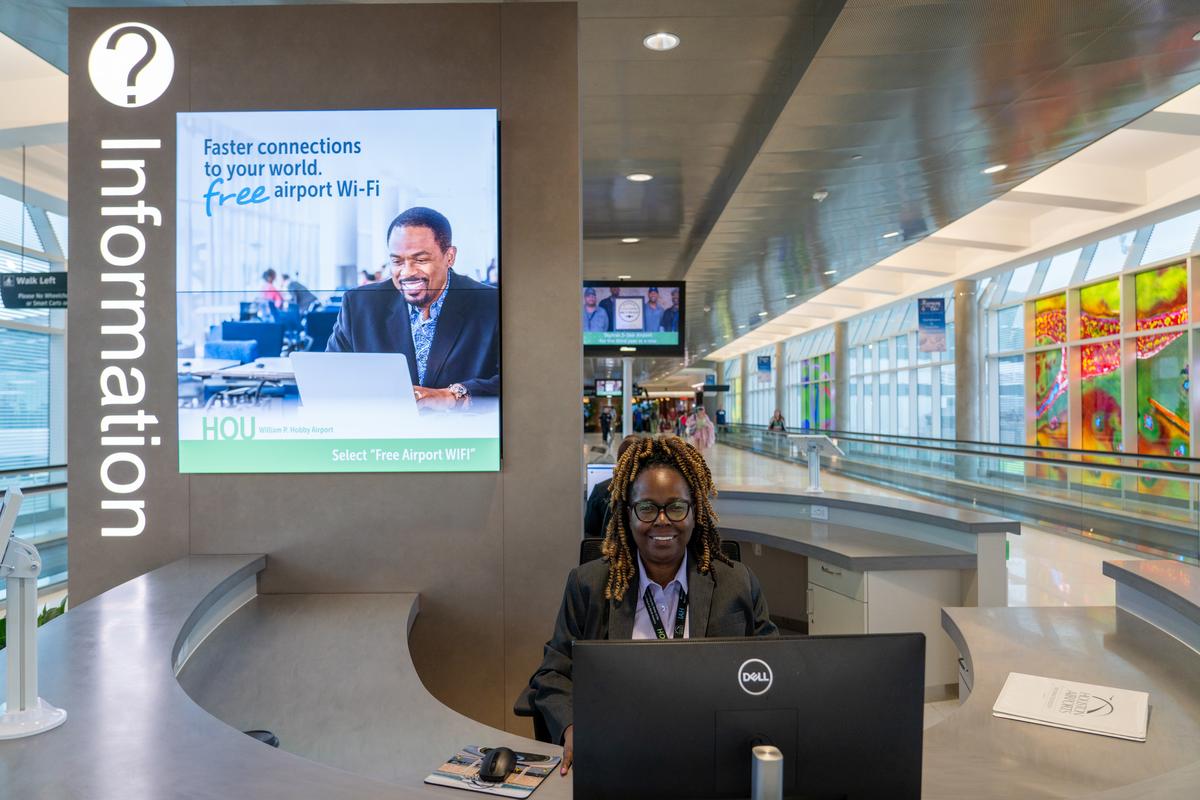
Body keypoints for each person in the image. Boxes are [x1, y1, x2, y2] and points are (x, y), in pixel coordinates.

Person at [531, 435, 778, 774]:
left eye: (676, 507)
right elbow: (553, 673)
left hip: (712, 753)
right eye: (647, 508)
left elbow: (774, 670)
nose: (662, 521)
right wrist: (572, 727)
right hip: (619, 752)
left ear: (695, 512)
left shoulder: (738, 584)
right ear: (627, 513)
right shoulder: (588, 586)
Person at [326, 207, 499, 409]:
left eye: (420, 259)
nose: (407, 273)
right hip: (382, 433)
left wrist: (452, 396)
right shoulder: (359, 305)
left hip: (465, 435)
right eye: (397, 261)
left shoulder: (491, 304)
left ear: (449, 256)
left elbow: (518, 380)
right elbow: (331, 375)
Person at [582, 435, 641, 539]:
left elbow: (589, 535)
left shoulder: (600, 491)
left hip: (607, 552)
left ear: (618, 461)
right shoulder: (651, 493)